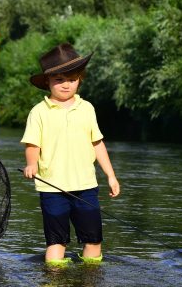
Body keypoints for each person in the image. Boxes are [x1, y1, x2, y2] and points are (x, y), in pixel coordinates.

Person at [21, 43, 120, 265]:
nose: (66, 85)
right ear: (48, 81)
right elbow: (32, 145)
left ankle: (90, 275)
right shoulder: (38, 112)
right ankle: (54, 276)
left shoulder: (87, 109)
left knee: (93, 239)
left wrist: (110, 176)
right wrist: (31, 164)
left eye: (72, 79)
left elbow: (98, 143)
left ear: (80, 79)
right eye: (59, 80)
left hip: (86, 187)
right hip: (52, 188)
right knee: (56, 242)